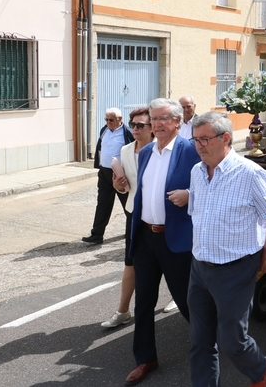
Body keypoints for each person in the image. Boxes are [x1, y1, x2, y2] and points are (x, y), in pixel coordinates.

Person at [187, 112, 266, 387]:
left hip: (235, 268)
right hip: (199, 267)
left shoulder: (250, 173)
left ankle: (258, 369)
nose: (199, 145)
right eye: (196, 140)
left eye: (205, 139)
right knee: (200, 340)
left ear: (226, 138)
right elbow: (198, 214)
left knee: (232, 341)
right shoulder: (197, 171)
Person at [125, 98, 201, 386]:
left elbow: (212, 185)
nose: (156, 124)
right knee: (143, 300)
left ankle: (210, 344)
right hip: (146, 237)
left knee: (185, 300)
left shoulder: (190, 151)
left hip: (176, 239)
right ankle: (145, 358)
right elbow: (141, 192)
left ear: (177, 122)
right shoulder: (145, 153)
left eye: (163, 119)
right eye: (153, 119)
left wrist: (191, 196)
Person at [102, 107, 154, 328]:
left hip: (159, 216)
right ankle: (123, 310)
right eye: (133, 125)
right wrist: (118, 186)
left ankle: (177, 301)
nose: (135, 129)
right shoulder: (125, 151)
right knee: (130, 263)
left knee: (170, 266)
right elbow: (125, 189)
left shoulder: (160, 151)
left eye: (140, 125)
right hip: (134, 213)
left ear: (152, 128)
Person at [82, 107, 134, 245]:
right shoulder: (104, 130)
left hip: (121, 174)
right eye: (106, 119)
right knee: (103, 204)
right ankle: (97, 235)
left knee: (128, 205)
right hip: (105, 173)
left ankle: (133, 231)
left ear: (120, 119)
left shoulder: (127, 132)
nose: (108, 122)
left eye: (111, 120)